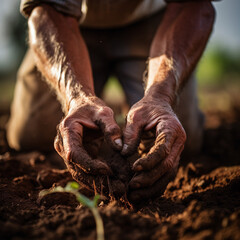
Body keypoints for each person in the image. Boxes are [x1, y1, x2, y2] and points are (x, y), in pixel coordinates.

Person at [7, 0, 215, 202]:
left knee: (181, 141)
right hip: (67, 29)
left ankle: (132, 114)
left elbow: (193, 6)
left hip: (154, 26)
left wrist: (160, 97)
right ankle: (105, 121)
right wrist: (77, 98)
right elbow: (46, 10)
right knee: (32, 134)